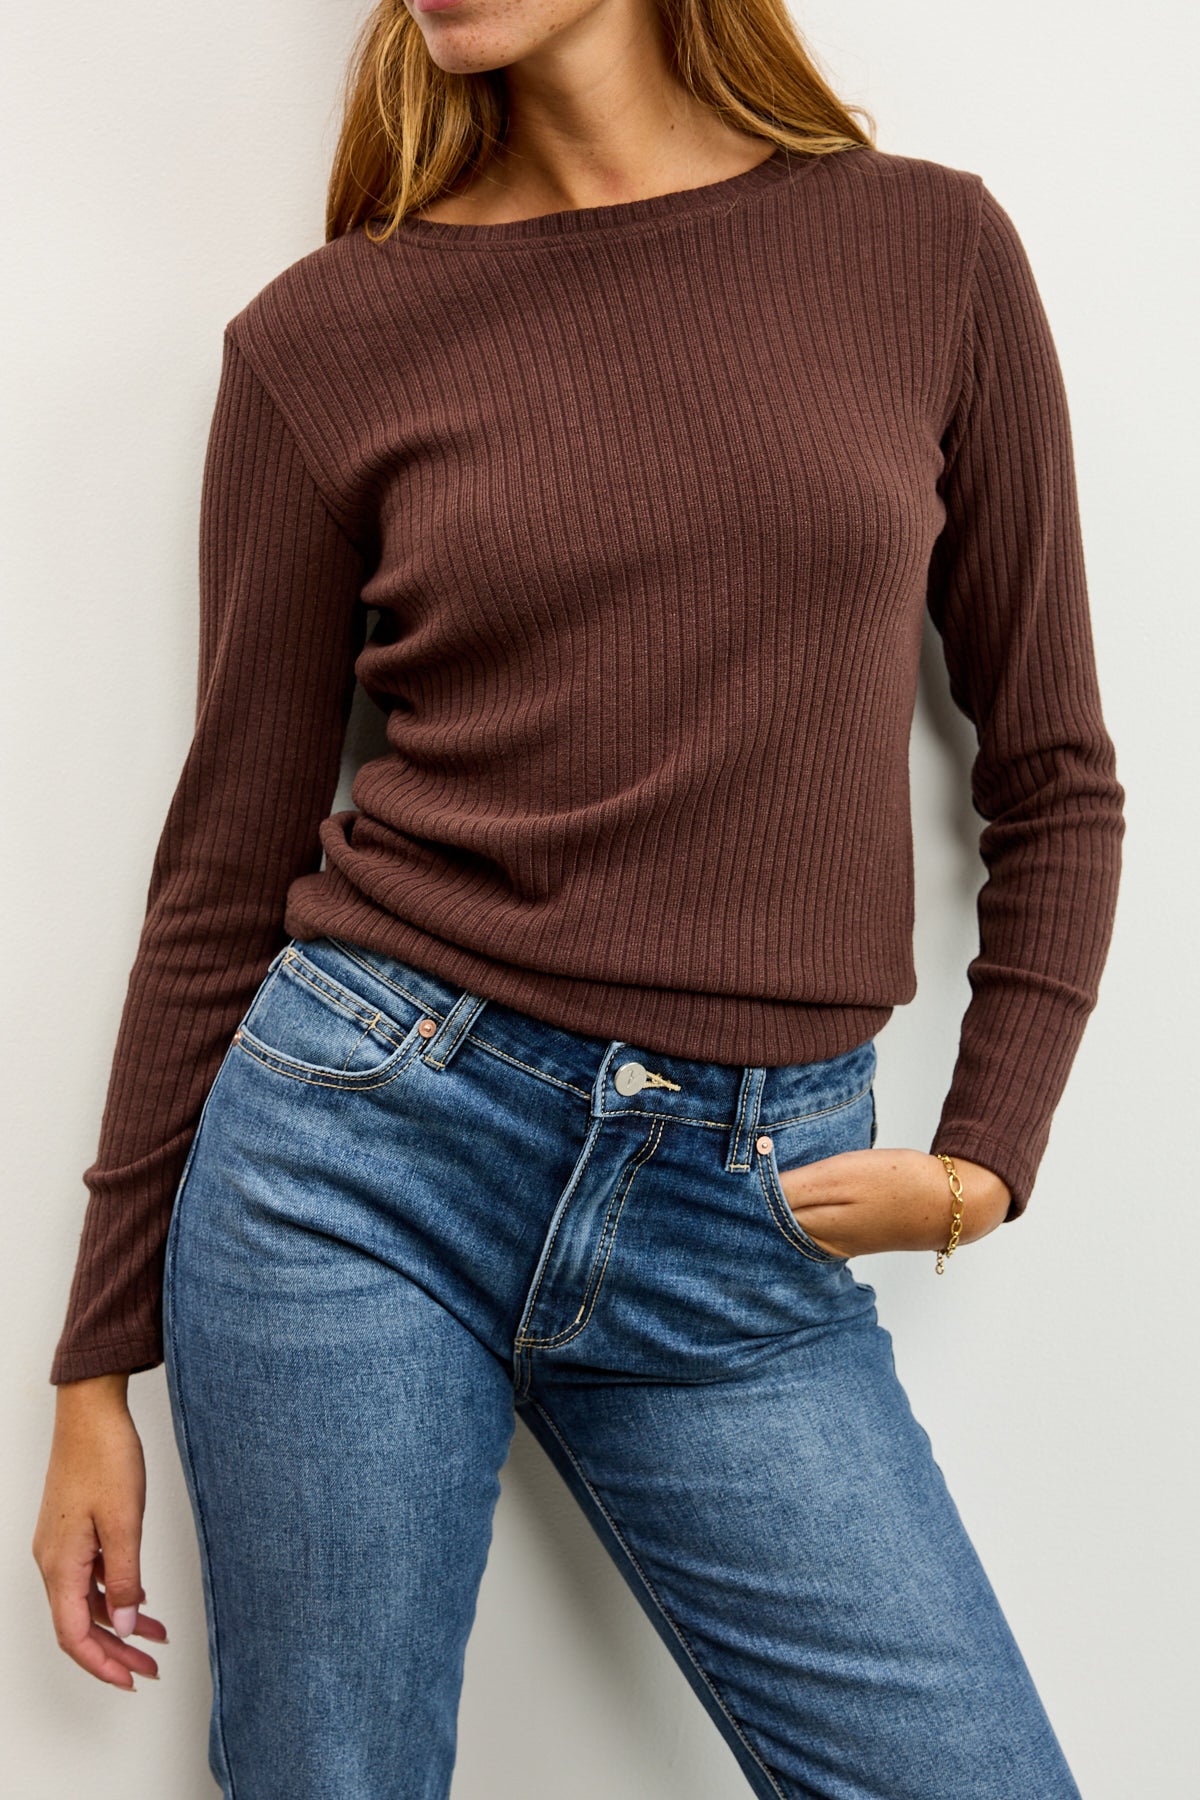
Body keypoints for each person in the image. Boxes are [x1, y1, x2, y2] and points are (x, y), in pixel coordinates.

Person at [32, 0, 1125, 1794]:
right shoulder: (324, 339)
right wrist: (97, 1367)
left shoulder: (927, 251)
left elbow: (1058, 776)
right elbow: (224, 865)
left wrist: (985, 1158)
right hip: (362, 1161)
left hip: (747, 1213)